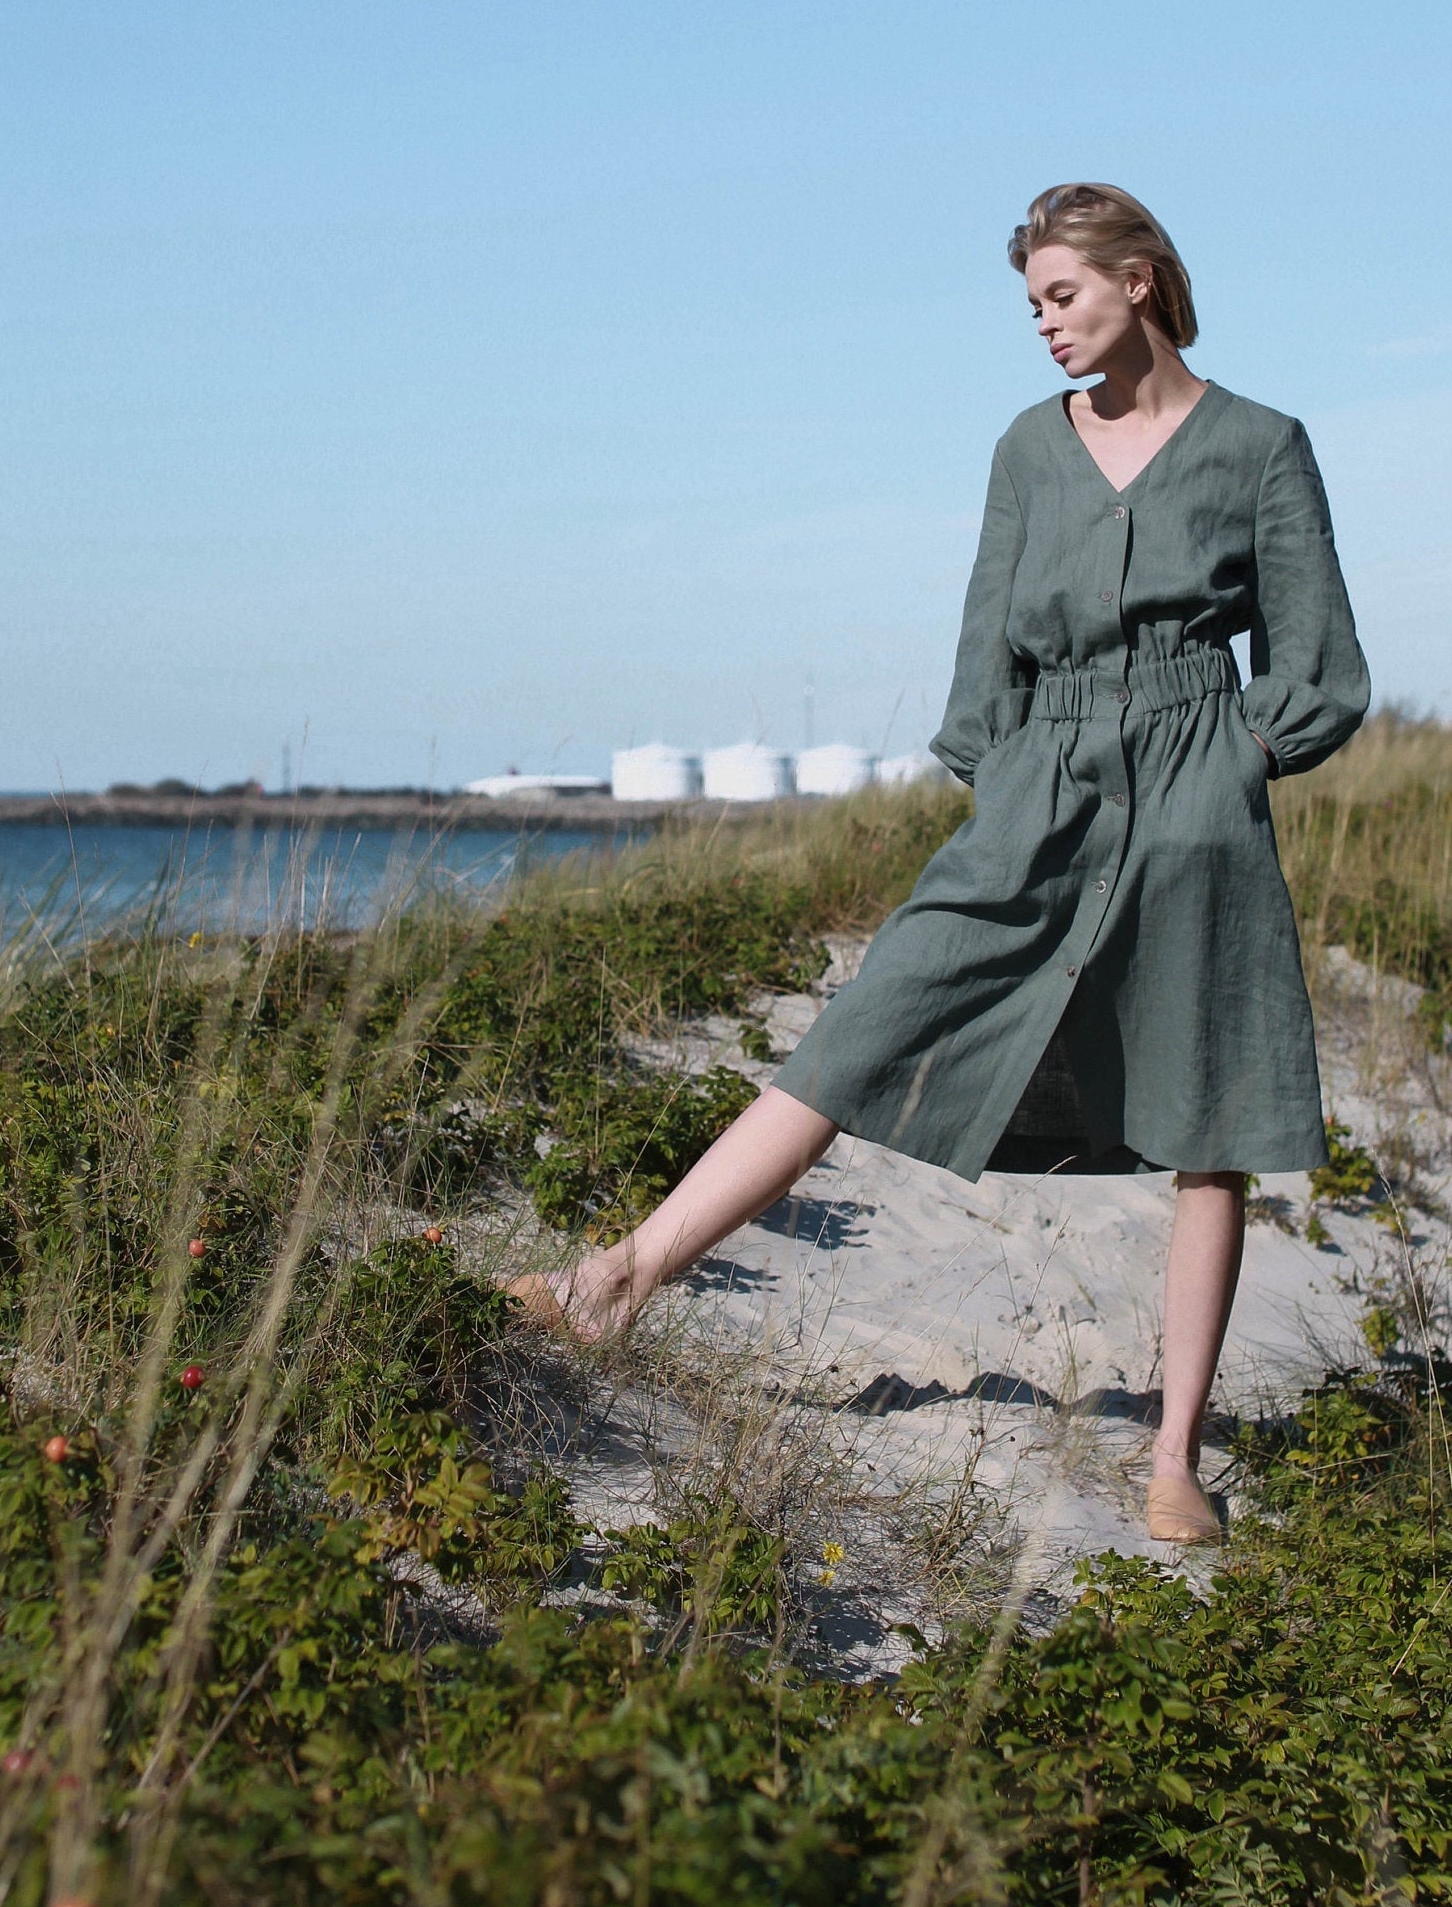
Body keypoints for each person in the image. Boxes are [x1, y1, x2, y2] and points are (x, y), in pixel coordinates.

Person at [509, 183, 1369, 1545]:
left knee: (1207, 1126)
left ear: (1136, 281)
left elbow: (1318, 666)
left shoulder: (1262, 446)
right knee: (870, 1021)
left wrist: (1222, 765)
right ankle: (616, 1278)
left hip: (1196, 792)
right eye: (1030, 304)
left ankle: (1172, 1460)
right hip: (1039, 783)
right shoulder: (1028, 451)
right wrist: (1009, 776)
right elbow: (986, 647)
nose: (1041, 325)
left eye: (1060, 296)